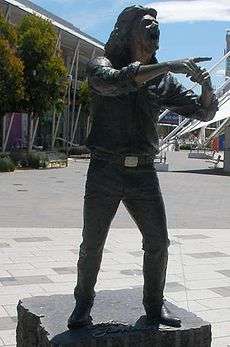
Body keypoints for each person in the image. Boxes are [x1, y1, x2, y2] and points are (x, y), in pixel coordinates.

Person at [68, 5, 218, 329]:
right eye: (148, 24)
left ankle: (154, 305)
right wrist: (171, 65)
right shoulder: (102, 64)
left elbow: (203, 113)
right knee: (92, 243)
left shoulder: (162, 81)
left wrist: (206, 85)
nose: (154, 30)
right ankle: (82, 302)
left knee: (158, 241)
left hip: (143, 174)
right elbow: (116, 82)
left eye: (157, 26)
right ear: (129, 30)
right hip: (104, 169)